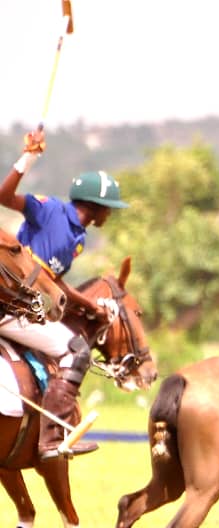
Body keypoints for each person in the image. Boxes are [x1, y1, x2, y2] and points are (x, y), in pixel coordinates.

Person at [0, 128, 127, 460]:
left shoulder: (78, 239)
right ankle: (52, 438)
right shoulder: (49, 209)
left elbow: (53, 281)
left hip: (34, 304)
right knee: (76, 351)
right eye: (109, 207)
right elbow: (4, 196)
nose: (111, 214)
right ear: (96, 206)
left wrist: (90, 306)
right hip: (14, 304)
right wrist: (28, 156)